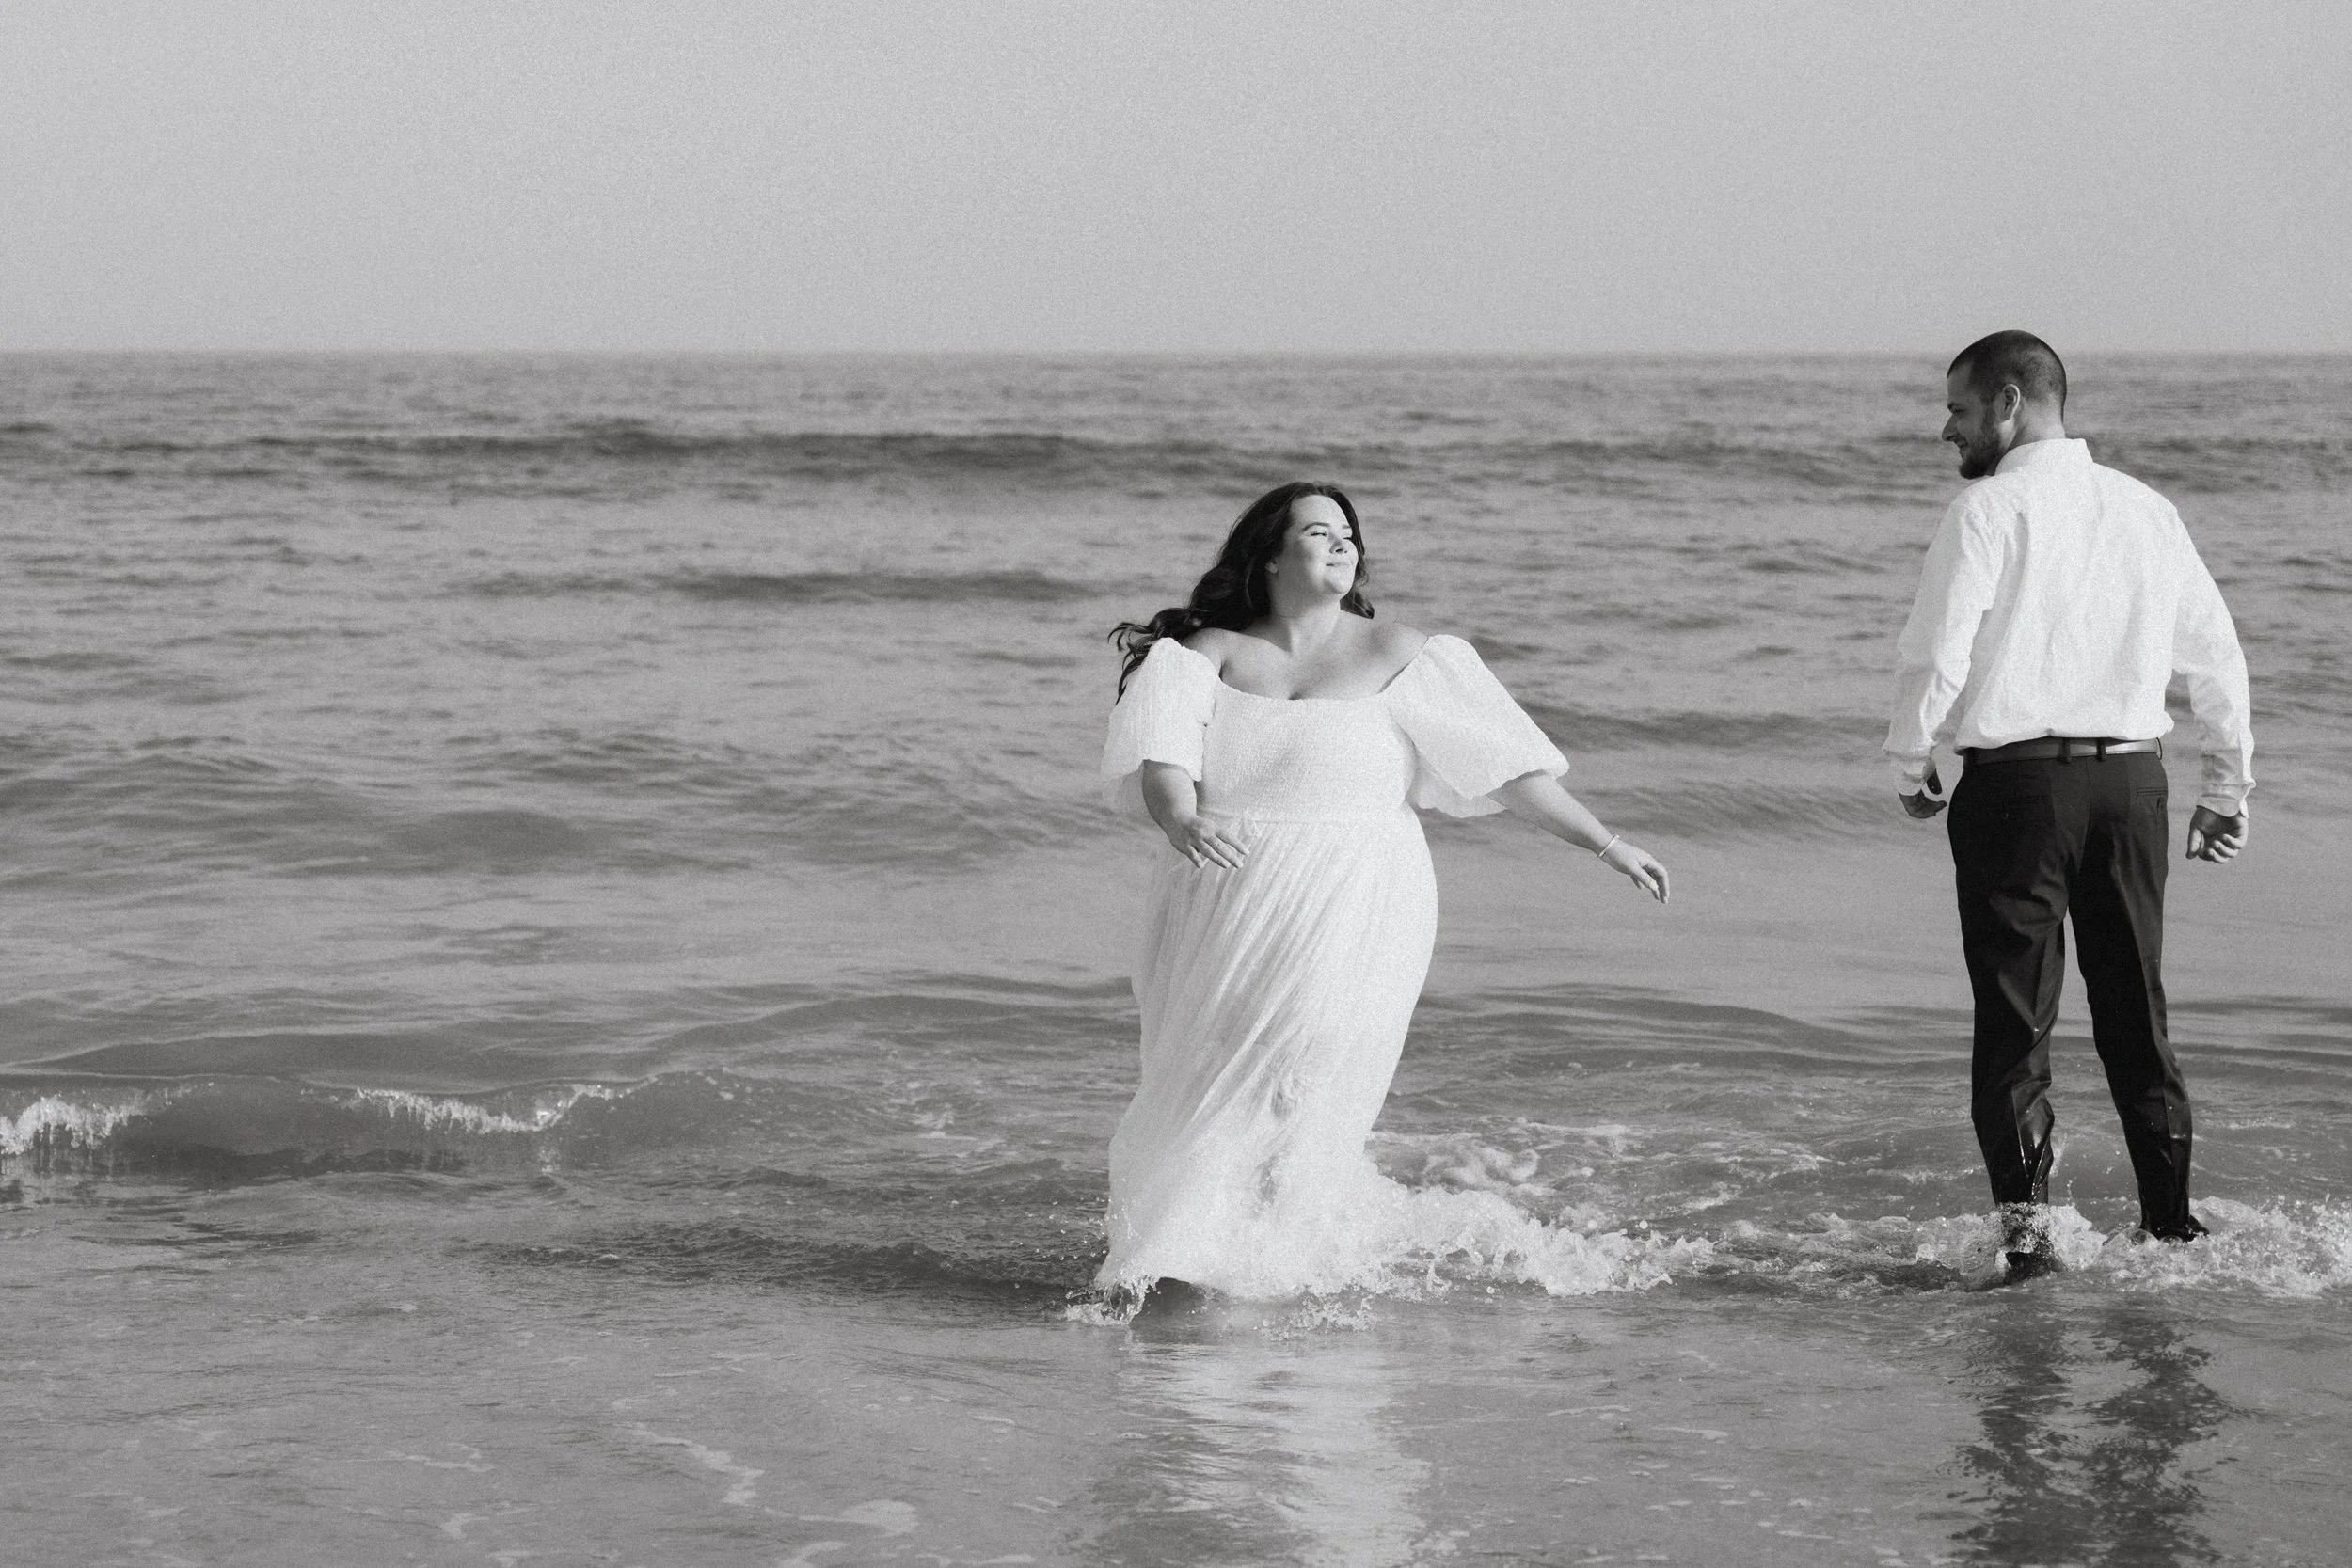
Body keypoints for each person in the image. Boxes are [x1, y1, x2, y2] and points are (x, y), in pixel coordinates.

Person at [1096, 481, 1669, 1305]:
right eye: (1319, 533)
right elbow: (1164, 766)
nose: (1342, 546)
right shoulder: (1201, 655)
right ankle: (1190, 1258)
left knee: (1307, 1058)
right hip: (1220, 896)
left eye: (1349, 535)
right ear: (1267, 556)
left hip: (1356, 897)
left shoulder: (1405, 653)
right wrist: (1180, 819)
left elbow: (1509, 772)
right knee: (1208, 1075)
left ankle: (1266, 1259)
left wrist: (1608, 843)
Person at [1886, 331, 2254, 1275]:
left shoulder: (1986, 511)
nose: (1948, 429)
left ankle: (2029, 1247)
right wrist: (2227, 780)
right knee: (2139, 1013)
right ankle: (2171, 1231)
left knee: (2015, 1023)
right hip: (2132, 784)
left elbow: (1938, 651)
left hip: (2017, 787)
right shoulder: (2145, 509)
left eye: (1960, 411)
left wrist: (1909, 757)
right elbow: (2214, 652)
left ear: (2010, 404)